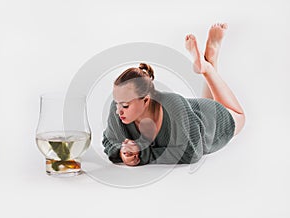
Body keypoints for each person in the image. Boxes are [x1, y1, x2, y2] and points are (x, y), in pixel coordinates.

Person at [102, 23, 245, 166]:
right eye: (117, 103)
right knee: (203, 104)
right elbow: (108, 142)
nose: (118, 110)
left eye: (125, 105)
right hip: (192, 114)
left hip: (212, 121)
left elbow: (192, 152)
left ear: (146, 100)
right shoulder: (118, 109)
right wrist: (122, 152)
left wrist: (143, 155)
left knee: (240, 116)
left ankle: (207, 68)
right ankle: (211, 56)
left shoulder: (173, 104)